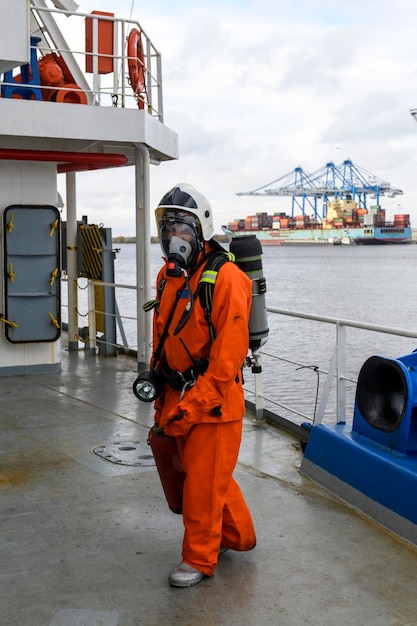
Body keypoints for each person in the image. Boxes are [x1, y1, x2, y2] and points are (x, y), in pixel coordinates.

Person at [150, 183, 256, 588]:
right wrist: (157, 386)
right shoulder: (168, 276)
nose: (173, 237)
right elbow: (161, 336)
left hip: (214, 404)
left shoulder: (226, 279)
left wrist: (191, 409)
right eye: (168, 227)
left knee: (202, 486)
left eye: (182, 228)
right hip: (176, 393)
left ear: (201, 231)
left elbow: (227, 361)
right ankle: (237, 536)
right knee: (209, 477)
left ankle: (198, 559)